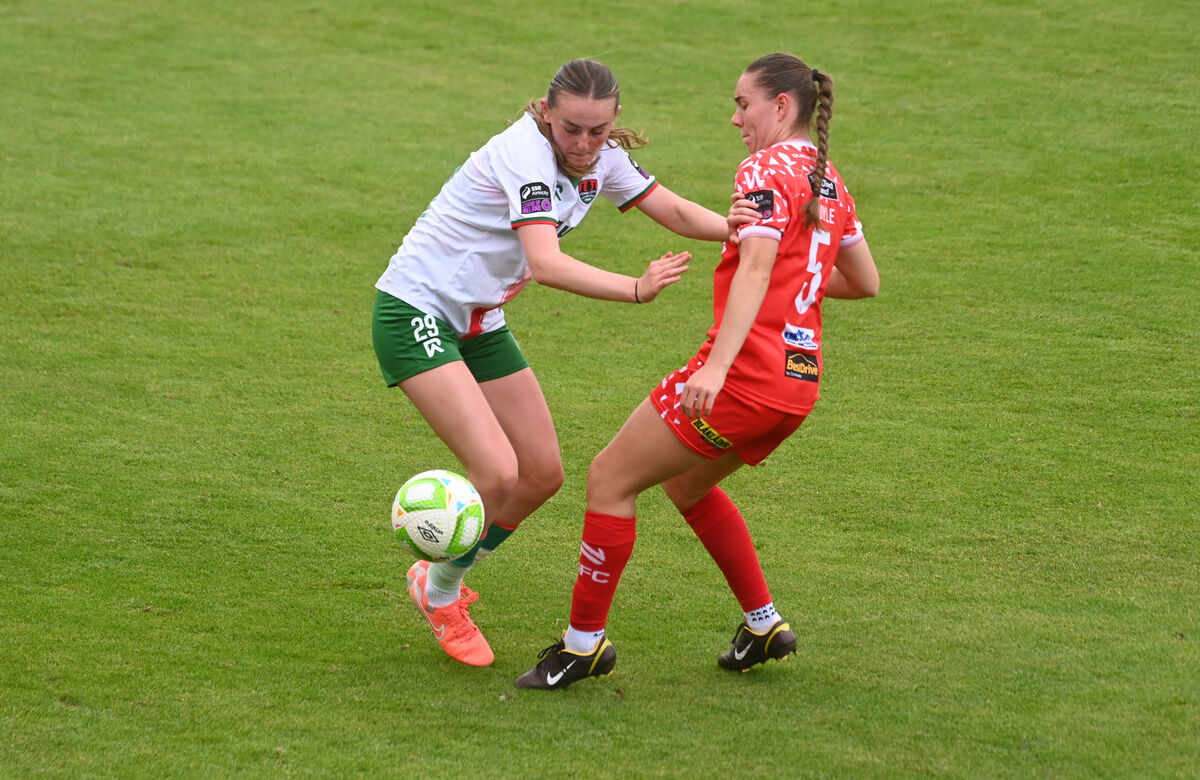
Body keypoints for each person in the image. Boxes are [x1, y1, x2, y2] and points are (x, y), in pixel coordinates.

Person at [373, 59, 760, 667]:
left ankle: (435, 581)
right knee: (498, 472)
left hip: (479, 321)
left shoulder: (601, 157)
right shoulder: (524, 157)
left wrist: (751, 231)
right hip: (415, 314)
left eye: (597, 132)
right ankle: (443, 592)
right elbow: (546, 263)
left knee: (543, 473)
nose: (582, 145)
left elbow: (678, 212)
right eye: (571, 129)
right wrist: (634, 288)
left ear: (614, 122)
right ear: (546, 113)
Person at [515, 53, 880, 690]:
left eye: (743, 104)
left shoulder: (765, 167)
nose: (735, 117)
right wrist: (798, 286)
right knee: (687, 487)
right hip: (795, 386)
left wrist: (715, 365)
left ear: (781, 106)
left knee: (608, 480)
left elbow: (759, 268)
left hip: (740, 379)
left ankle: (581, 646)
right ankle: (764, 624)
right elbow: (864, 282)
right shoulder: (831, 180)